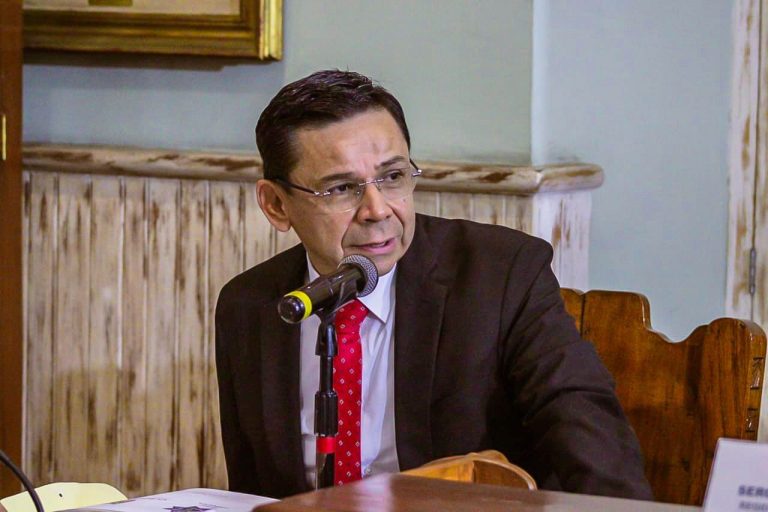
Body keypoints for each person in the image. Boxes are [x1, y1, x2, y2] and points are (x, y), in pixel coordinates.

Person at [215, 69, 653, 500]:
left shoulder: (500, 275)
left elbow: (583, 426)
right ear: (276, 205)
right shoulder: (250, 305)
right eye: (342, 188)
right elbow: (250, 495)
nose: (378, 210)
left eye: (393, 177)